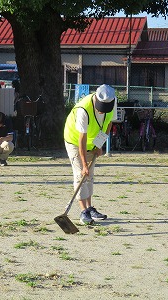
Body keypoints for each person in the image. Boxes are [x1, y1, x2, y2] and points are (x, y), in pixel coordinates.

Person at [64, 84, 117, 224]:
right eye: (100, 108)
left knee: (90, 175)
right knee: (81, 173)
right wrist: (83, 165)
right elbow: (82, 139)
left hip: (92, 141)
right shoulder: (83, 109)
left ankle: (90, 208)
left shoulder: (113, 102)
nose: (102, 112)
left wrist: (99, 145)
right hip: (75, 141)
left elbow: (109, 124)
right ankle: (83, 212)